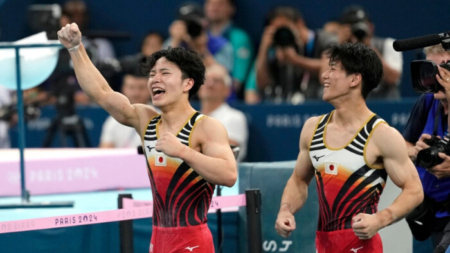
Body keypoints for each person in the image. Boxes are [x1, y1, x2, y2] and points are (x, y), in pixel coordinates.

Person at [57, 23, 237, 253]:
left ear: (187, 83)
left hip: (192, 240)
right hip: (158, 238)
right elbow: (101, 93)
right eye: (152, 74)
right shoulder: (146, 119)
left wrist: (183, 151)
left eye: (164, 73)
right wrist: (75, 49)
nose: (155, 79)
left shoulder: (206, 127)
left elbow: (229, 174)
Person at [275, 43, 423, 252]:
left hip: (361, 245)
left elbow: (415, 190)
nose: (324, 75)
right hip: (324, 244)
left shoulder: (381, 135)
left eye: (333, 69)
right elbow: (299, 180)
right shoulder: (313, 128)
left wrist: (380, 219)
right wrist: (285, 210)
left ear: (354, 79)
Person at [403, 44, 450, 253]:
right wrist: (416, 151)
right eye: (432, 69)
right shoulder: (428, 101)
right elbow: (405, 146)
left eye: (444, 68)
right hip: (437, 214)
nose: (436, 78)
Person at [255, 6, 337, 103]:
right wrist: (264, 48)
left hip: (319, 105)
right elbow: (262, 83)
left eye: (284, 28)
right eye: (277, 30)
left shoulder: (326, 40)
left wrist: (295, 60)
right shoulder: (279, 48)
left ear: (299, 23)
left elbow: (329, 68)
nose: (282, 33)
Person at [338, 5, 403, 100]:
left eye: (361, 25)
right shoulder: (337, 48)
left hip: (385, 106)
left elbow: (393, 78)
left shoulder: (388, 44)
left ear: (371, 27)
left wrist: (369, 49)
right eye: (353, 26)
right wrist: (340, 47)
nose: (357, 29)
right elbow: (326, 78)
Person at [164, 2, 234, 73]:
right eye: (186, 24)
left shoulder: (221, 45)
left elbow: (222, 77)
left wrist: (202, 51)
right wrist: (175, 42)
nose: (190, 28)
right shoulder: (171, 43)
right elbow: (163, 71)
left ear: (204, 23)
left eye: (193, 23)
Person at [198, 64, 248, 161]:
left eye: (217, 81)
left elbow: (226, 155)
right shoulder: (191, 118)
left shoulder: (234, 117)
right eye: (206, 80)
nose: (210, 84)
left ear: (227, 90)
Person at [205, 0, 254, 98]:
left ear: (231, 9)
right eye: (211, 3)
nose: (215, 8)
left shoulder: (239, 38)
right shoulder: (199, 35)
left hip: (229, 100)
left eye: (220, 4)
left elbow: (236, 83)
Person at [99, 74, 151, 148]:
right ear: (124, 88)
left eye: (141, 88)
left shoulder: (161, 117)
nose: (136, 93)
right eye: (131, 87)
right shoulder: (113, 121)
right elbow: (105, 152)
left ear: (150, 89)